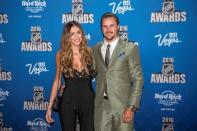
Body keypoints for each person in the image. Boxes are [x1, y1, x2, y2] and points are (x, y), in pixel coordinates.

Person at [92, 12, 144, 131]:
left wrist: (131, 107)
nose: (108, 29)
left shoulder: (130, 48)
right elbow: (91, 73)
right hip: (101, 107)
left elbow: (138, 79)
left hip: (123, 106)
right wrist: (69, 83)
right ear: (101, 28)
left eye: (112, 25)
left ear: (118, 26)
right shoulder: (95, 50)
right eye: (105, 26)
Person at [46, 21, 95, 131]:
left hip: (88, 101)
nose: (77, 36)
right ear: (67, 37)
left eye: (78, 32)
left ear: (82, 33)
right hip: (67, 101)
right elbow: (57, 81)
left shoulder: (91, 52)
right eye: (72, 34)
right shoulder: (61, 55)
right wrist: (49, 107)